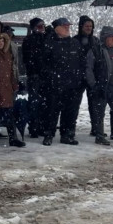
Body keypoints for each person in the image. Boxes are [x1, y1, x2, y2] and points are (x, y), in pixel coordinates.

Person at [41, 18, 84, 146]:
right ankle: (48, 134)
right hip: (55, 85)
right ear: (56, 28)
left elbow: (82, 62)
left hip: (73, 85)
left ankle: (68, 135)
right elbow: (43, 64)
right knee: (52, 111)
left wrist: (80, 79)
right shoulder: (49, 43)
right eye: (64, 26)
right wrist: (52, 78)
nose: (67, 28)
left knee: (70, 111)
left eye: (68, 26)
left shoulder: (75, 43)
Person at [75, 15, 102, 137]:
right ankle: (70, 127)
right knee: (74, 103)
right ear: (81, 27)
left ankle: (96, 128)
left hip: (92, 76)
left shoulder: (95, 41)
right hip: (78, 76)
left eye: (91, 26)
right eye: (86, 26)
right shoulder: (75, 40)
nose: (89, 28)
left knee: (94, 104)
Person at [21, 17, 46, 138]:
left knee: (43, 103)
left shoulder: (45, 39)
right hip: (35, 75)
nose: (42, 28)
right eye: (39, 26)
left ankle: (41, 126)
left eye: (43, 26)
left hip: (44, 76)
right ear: (34, 28)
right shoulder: (29, 41)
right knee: (34, 103)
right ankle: (34, 127)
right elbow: (28, 59)